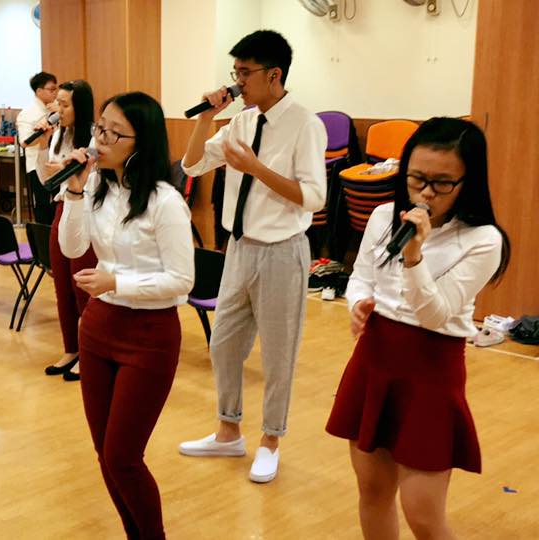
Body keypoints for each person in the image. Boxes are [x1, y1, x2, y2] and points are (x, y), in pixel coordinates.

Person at [326, 117, 510, 540]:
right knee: (373, 492)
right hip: (374, 360)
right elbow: (361, 278)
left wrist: (414, 255)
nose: (426, 193)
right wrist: (358, 305)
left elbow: (435, 314)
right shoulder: (382, 216)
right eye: (417, 178)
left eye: (442, 183)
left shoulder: (483, 239)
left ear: (468, 181)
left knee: (423, 515)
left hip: (430, 371)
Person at [178, 30, 327, 484]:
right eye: (235, 72)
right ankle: (229, 432)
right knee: (223, 343)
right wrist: (208, 118)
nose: (237, 81)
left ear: (273, 74)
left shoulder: (305, 124)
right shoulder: (242, 122)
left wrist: (256, 169)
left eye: (245, 73)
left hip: (283, 251)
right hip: (239, 248)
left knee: (278, 355)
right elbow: (191, 165)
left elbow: (314, 197)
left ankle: (270, 440)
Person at [59, 92, 194, 540]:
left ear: (142, 142)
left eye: (114, 133)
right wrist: (74, 189)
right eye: (100, 127)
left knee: (123, 457)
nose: (101, 138)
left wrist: (118, 282)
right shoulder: (97, 186)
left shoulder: (165, 201)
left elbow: (182, 280)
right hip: (99, 328)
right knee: (105, 454)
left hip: (149, 335)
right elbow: (72, 248)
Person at [30, 80, 97, 381]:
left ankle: (89, 352)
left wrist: (69, 173)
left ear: (79, 107)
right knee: (62, 283)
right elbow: (46, 179)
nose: (58, 109)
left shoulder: (94, 138)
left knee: (82, 285)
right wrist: (44, 143)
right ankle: (71, 348)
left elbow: (94, 181)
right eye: (57, 102)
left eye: (64, 104)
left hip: (86, 211)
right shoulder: (59, 134)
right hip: (62, 208)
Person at [16, 71, 60, 224]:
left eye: (56, 89)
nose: (55, 93)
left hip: (57, 162)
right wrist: (43, 135)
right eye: (51, 89)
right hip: (37, 165)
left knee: (58, 203)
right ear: (39, 91)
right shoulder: (27, 113)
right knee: (43, 204)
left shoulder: (57, 109)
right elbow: (24, 142)